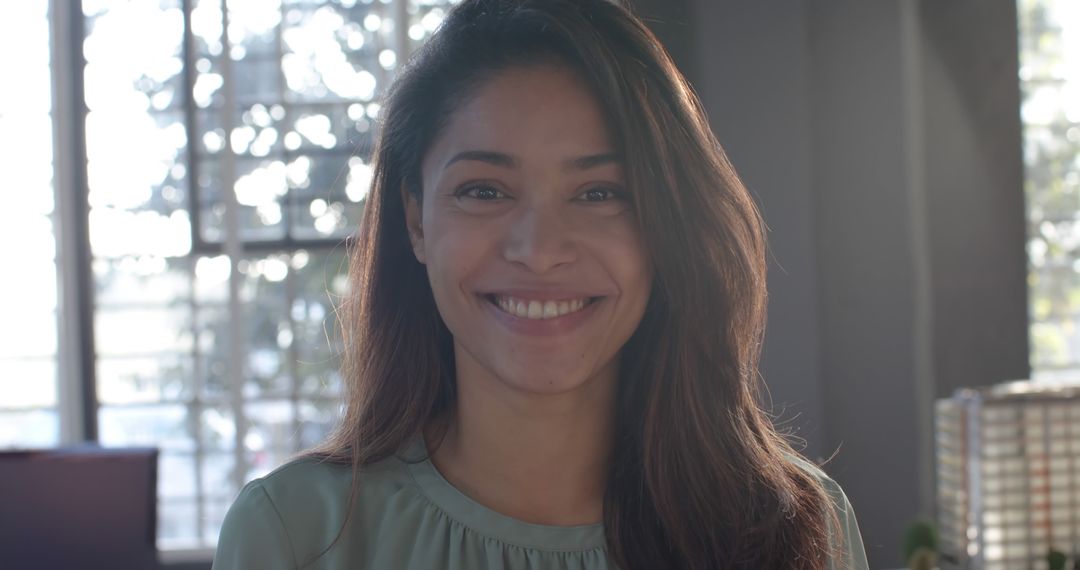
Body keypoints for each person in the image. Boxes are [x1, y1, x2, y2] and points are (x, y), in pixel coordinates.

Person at [213, 0, 870, 568]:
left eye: (599, 192)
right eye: (483, 190)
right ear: (415, 219)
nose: (540, 250)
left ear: (665, 224)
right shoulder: (296, 536)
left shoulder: (800, 525)